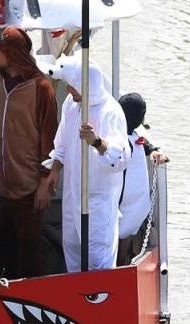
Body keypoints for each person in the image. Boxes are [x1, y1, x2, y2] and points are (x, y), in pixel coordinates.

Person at [0, 27, 59, 278]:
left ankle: (31, 298)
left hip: (28, 183)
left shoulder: (41, 87)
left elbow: (50, 138)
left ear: (10, 51)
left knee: (29, 249)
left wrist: (44, 181)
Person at [47, 60, 129, 273]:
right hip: (73, 195)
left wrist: (97, 142)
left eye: (72, 85)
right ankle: (74, 296)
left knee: (97, 256)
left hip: (97, 200)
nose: (68, 89)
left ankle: (100, 300)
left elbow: (120, 159)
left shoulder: (110, 111)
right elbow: (62, 142)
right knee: (72, 250)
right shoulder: (70, 104)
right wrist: (54, 171)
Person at [115, 91, 169, 265]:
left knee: (124, 243)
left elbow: (142, 142)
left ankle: (122, 263)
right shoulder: (119, 139)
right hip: (123, 207)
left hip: (135, 208)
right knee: (118, 246)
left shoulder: (134, 137)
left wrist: (154, 150)